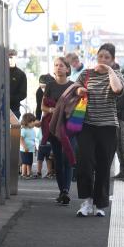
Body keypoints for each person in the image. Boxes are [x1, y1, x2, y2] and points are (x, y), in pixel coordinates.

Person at [74, 43, 124, 217]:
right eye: (100, 56)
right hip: (86, 125)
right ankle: (87, 201)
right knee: (85, 163)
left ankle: (99, 204)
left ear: (113, 59)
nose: (102, 59)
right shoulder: (86, 73)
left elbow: (117, 89)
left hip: (108, 127)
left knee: (104, 166)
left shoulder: (117, 75)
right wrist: (80, 90)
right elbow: (74, 89)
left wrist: (110, 70)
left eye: (107, 57)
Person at [41, 56, 75, 204]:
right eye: (56, 65)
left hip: (69, 127)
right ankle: (62, 191)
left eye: (61, 65)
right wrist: (51, 110)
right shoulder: (50, 86)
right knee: (58, 160)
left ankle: (66, 190)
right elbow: (42, 106)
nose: (58, 68)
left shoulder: (74, 86)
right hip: (54, 126)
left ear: (67, 69)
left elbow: (79, 105)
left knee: (67, 158)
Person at [8, 49, 28, 119]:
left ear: (16, 58)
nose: (9, 60)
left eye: (11, 57)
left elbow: (23, 94)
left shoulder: (21, 74)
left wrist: (9, 99)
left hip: (14, 110)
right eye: (7, 58)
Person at [20, 112, 38, 178]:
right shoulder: (24, 130)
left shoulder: (32, 130)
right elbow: (21, 139)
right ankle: (23, 174)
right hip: (24, 150)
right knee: (25, 162)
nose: (34, 123)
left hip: (30, 149)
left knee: (30, 162)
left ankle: (29, 173)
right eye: (32, 122)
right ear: (27, 122)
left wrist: (35, 146)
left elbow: (33, 139)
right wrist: (24, 147)